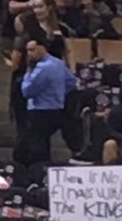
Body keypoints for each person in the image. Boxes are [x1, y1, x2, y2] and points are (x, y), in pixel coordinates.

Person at [16, 35, 77, 172]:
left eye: (32, 50)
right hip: (56, 108)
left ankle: (39, 172)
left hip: (40, 110)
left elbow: (27, 91)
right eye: (28, 51)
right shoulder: (58, 63)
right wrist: (58, 93)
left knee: (37, 147)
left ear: (42, 48)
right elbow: (71, 82)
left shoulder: (42, 68)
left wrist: (28, 73)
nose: (29, 54)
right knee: (42, 143)